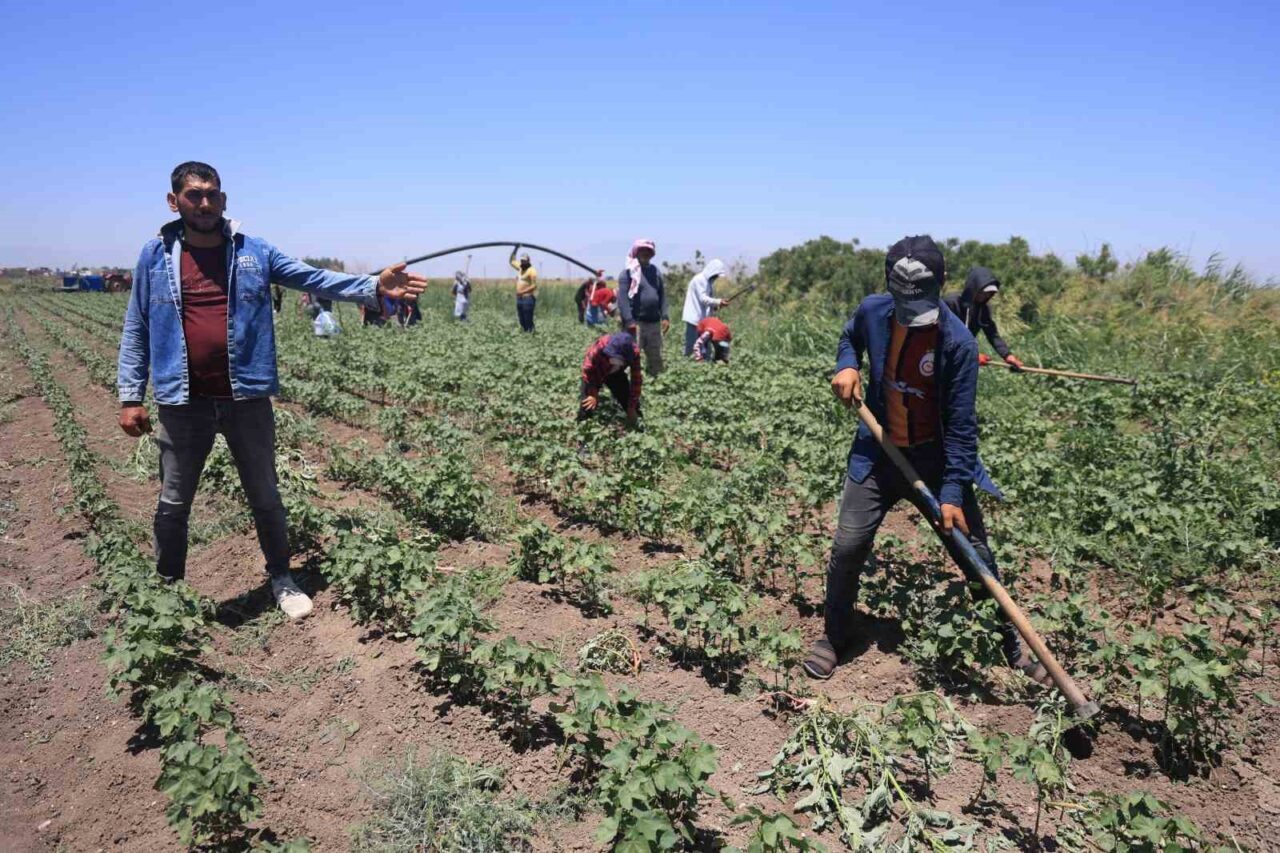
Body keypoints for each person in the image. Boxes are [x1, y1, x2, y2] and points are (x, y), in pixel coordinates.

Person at [116, 161, 427, 619]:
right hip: (183, 402)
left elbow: (314, 278)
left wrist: (371, 285)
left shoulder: (253, 251)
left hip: (247, 399)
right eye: (194, 195)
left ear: (224, 199)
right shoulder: (154, 256)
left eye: (213, 194)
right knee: (174, 501)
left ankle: (281, 578)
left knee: (265, 494)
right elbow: (137, 325)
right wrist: (130, 395)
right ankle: (167, 592)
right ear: (173, 201)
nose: (205, 203)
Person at [802, 235, 1050, 685]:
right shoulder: (874, 311)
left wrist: (953, 492)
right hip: (878, 453)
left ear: (942, 285)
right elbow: (849, 338)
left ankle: (1013, 649)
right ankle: (836, 637)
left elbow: (961, 429)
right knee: (848, 546)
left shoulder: (955, 343)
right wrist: (848, 365)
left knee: (974, 554)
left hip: (935, 462)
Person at [943, 267, 1025, 371]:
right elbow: (944, 336)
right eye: (983, 291)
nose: (986, 295)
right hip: (941, 359)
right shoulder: (950, 304)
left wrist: (1008, 356)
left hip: (960, 362)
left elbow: (992, 334)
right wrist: (971, 355)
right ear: (974, 287)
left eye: (990, 293)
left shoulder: (983, 309)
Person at [617, 239, 668, 377]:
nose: (645, 253)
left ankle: (657, 385)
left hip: (653, 323)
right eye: (642, 250)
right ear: (636, 252)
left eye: (648, 251)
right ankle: (627, 390)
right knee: (631, 357)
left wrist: (665, 316)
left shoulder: (655, 271)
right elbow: (622, 299)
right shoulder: (628, 273)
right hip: (635, 323)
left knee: (656, 357)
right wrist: (629, 321)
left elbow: (662, 294)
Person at [578, 331, 642, 428]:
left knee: (631, 402)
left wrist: (631, 406)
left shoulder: (634, 354)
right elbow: (587, 370)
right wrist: (593, 393)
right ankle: (583, 433)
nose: (612, 358)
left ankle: (639, 428)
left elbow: (636, 379)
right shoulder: (599, 348)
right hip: (595, 374)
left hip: (615, 373)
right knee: (587, 404)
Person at [681, 258, 730, 356]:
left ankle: (704, 366)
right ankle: (687, 367)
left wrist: (716, 306)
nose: (716, 277)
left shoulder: (708, 282)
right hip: (694, 320)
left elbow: (707, 302)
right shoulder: (700, 279)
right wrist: (718, 302)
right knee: (692, 348)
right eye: (716, 275)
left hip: (703, 321)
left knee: (704, 348)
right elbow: (703, 299)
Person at [510, 246, 538, 332]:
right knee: (521, 320)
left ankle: (531, 334)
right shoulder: (520, 268)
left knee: (528, 319)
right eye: (521, 260)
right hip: (520, 299)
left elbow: (534, 286)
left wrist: (522, 292)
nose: (522, 262)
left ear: (528, 261)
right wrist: (515, 249)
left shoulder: (532, 271)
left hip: (528, 299)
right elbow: (511, 260)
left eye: (524, 261)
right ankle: (526, 334)